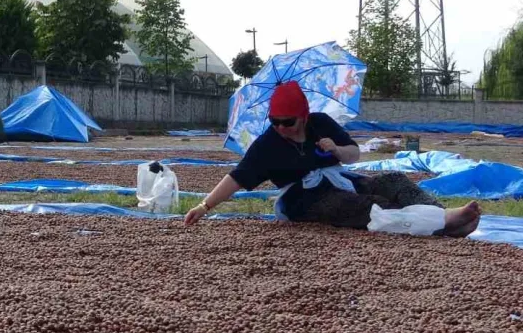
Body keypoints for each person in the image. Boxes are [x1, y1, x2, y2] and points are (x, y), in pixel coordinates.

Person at [184, 80, 481, 237]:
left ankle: (440, 215)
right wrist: (204, 205)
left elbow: (354, 155)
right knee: (364, 207)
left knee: (393, 180)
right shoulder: (268, 144)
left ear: (303, 115)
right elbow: (237, 177)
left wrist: (336, 151)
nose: (280, 127)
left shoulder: (321, 123)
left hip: (341, 178)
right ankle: (441, 223)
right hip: (304, 199)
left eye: (287, 121)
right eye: (274, 121)